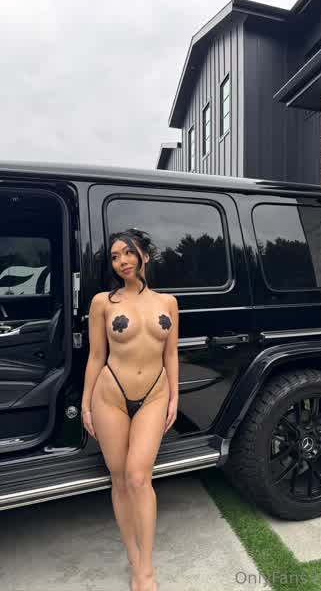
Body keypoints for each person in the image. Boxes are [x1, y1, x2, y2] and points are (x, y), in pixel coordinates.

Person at [81, 227, 179, 591]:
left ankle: (147, 569)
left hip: (155, 393)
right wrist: (86, 404)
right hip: (110, 395)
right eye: (115, 256)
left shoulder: (168, 302)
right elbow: (96, 356)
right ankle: (134, 561)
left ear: (144, 256)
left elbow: (171, 354)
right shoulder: (103, 303)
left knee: (139, 477)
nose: (122, 261)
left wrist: (174, 397)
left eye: (128, 253)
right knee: (120, 479)